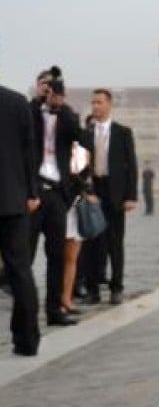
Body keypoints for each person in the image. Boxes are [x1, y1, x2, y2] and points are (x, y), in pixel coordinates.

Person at [29, 69, 82, 326]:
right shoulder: (29, 111)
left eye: (53, 87)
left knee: (57, 255)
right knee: (24, 255)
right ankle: (25, 311)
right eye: (45, 85)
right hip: (32, 192)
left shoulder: (66, 115)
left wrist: (60, 106)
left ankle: (54, 309)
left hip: (57, 193)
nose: (49, 90)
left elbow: (79, 136)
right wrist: (39, 100)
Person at [83, 88, 138, 306]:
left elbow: (131, 166)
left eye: (99, 102)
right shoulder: (85, 132)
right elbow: (78, 165)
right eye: (93, 102)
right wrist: (86, 191)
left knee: (115, 242)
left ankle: (117, 287)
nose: (95, 106)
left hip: (115, 192)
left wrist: (130, 196)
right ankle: (93, 289)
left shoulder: (123, 133)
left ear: (109, 104)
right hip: (93, 191)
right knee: (92, 243)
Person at [0, 81, 42, 356]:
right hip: (13, 200)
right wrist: (32, 192)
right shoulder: (17, 103)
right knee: (21, 272)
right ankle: (27, 340)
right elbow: (31, 152)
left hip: (14, 199)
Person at [61, 141, 91, 316]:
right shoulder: (56, 148)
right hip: (58, 205)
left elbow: (85, 178)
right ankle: (56, 296)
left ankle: (66, 297)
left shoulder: (83, 152)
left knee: (72, 257)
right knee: (57, 255)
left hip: (76, 207)